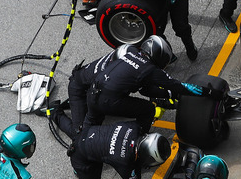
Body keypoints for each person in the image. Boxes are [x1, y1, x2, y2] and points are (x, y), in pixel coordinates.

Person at [85, 35, 222, 132]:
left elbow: (145, 90)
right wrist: (210, 92)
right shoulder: (149, 69)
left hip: (92, 91)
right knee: (148, 109)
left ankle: (79, 147)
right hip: (109, 100)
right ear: (160, 56)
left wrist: (168, 94)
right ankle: (137, 137)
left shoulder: (131, 53)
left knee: (87, 129)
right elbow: (180, 86)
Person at [29, 121, 170, 179]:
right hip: (82, 157)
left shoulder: (135, 127)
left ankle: (55, 112)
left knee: (133, 163)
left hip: (88, 134)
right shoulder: (124, 160)